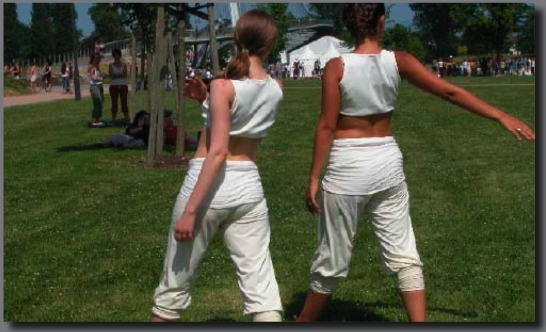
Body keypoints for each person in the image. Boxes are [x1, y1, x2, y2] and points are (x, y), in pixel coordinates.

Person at [296, 3, 535, 323]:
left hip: (347, 166)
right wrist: (500, 115)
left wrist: (313, 177)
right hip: (386, 161)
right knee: (404, 254)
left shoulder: (336, 66)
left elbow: (326, 126)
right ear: (381, 21)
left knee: (333, 259)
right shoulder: (400, 60)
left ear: (349, 26)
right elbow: (449, 93)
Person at [151, 9, 284, 322]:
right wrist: (206, 101)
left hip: (209, 186)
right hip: (249, 187)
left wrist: (190, 211)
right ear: (269, 44)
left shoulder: (223, 86)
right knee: (261, 288)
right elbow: (242, 118)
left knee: (174, 288)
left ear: (237, 38)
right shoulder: (277, 88)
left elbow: (218, 150)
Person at [109, 48, 130, 124]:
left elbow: (125, 74)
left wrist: (116, 75)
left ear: (119, 55)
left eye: (116, 54)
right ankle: (113, 118)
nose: (115, 56)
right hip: (114, 85)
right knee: (114, 102)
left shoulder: (124, 65)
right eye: (114, 55)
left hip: (123, 85)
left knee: (124, 101)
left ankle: (127, 117)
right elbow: (111, 75)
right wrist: (119, 75)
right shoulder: (111, 65)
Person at [88, 53, 104, 127]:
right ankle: (94, 119)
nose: (97, 59)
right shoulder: (92, 67)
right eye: (96, 58)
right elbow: (93, 77)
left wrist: (100, 77)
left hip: (99, 85)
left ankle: (97, 119)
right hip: (94, 86)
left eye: (98, 58)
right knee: (98, 100)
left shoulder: (98, 67)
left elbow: (101, 75)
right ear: (93, 59)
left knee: (100, 102)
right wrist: (99, 78)